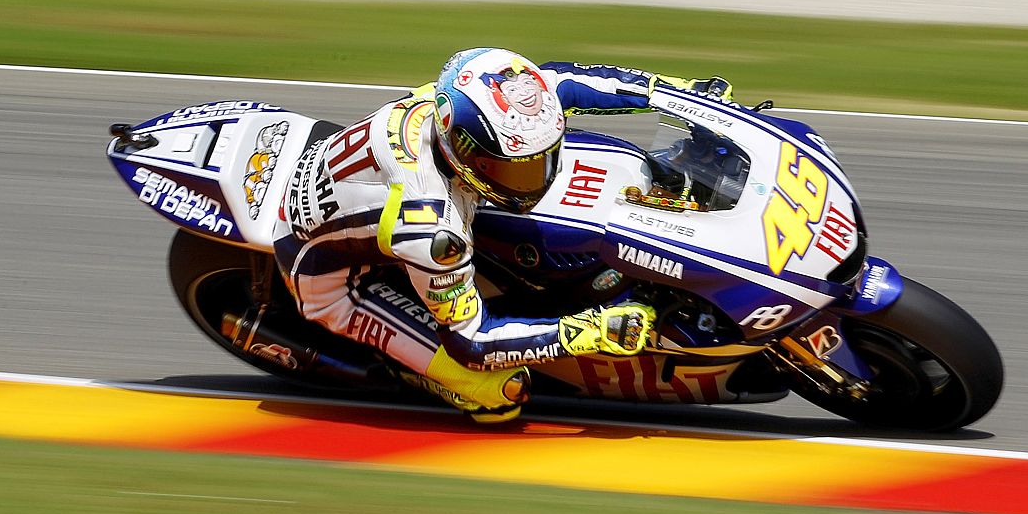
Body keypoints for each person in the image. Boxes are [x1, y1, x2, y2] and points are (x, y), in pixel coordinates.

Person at [267, 47, 730, 422]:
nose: (536, 178)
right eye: (515, 169)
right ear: (465, 151)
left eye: (541, 160)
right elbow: (472, 342)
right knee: (501, 392)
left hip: (357, 188)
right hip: (332, 278)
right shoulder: (433, 231)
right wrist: (585, 332)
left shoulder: (466, 98)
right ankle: (418, 376)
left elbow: (562, 81)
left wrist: (681, 95)